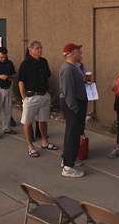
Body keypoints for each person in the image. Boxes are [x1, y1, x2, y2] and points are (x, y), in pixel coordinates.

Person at [18, 41, 57, 157]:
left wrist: (48, 91)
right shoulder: (25, 64)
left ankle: (45, 141)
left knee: (43, 120)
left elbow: (48, 77)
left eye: (41, 47)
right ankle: (30, 146)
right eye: (37, 48)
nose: (40, 50)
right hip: (31, 97)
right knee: (28, 123)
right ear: (31, 51)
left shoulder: (44, 62)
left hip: (44, 96)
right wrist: (24, 97)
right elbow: (21, 81)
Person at [59, 43, 88, 178]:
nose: (80, 52)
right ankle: (67, 167)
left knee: (74, 133)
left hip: (76, 105)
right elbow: (68, 92)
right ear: (72, 53)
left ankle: (69, 159)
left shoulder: (73, 68)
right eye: (78, 50)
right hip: (72, 106)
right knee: (72, 134)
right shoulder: (68, 69)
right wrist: (75, 108)